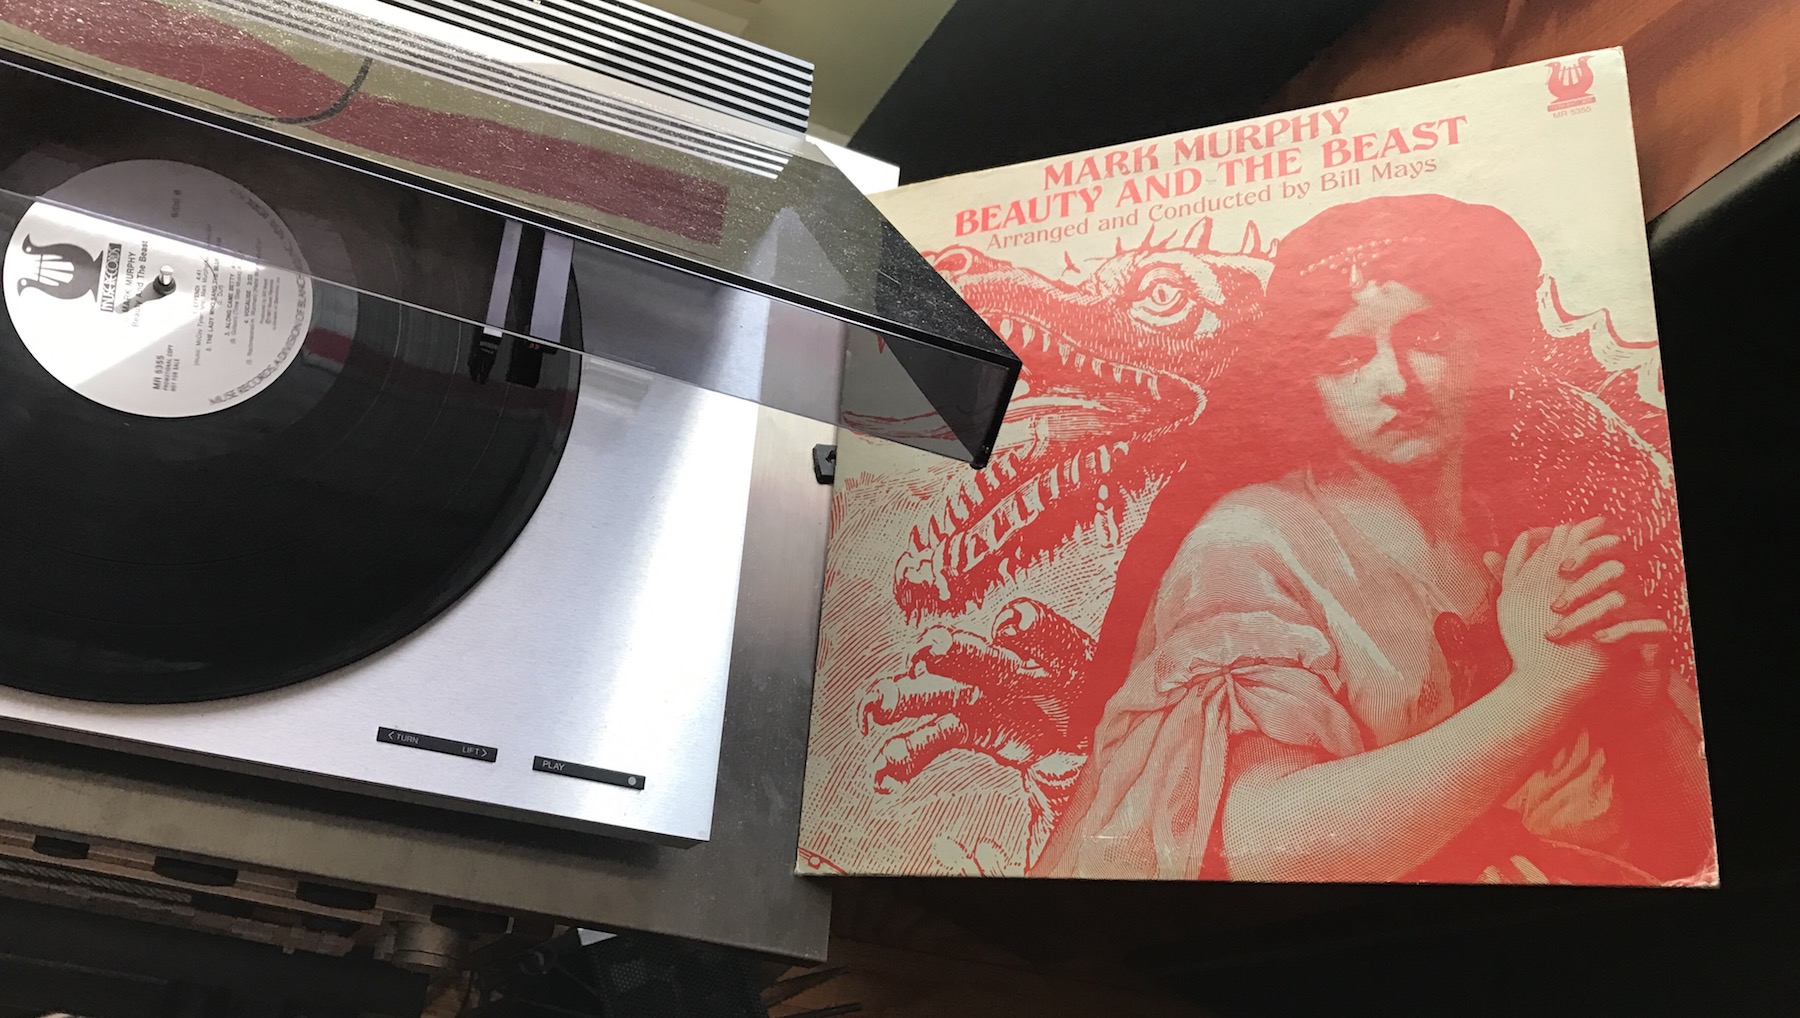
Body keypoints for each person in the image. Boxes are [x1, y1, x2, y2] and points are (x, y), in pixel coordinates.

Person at [1030, 194, 1713, 884]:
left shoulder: (1527, 539)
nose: (1395, 382)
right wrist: (1541, 692)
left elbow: (1690, 852)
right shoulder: (1253, 540)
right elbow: (1253, 844)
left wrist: (1641, 713)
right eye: (1347, 355)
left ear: (1484, 341)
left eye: (1429, 337)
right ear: (1308, 382)